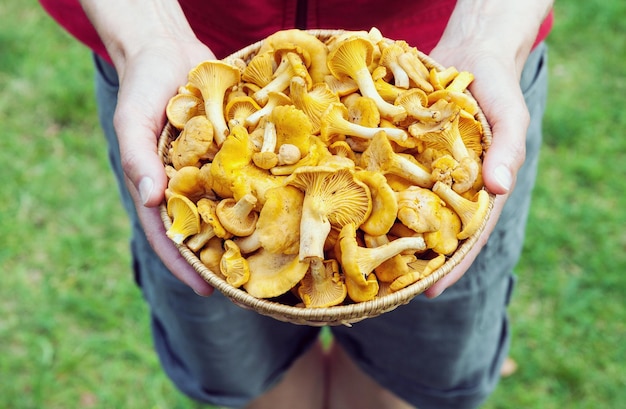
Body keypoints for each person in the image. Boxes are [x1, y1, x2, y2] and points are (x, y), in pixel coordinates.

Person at [39, 1, 554, 408]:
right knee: (238, 368)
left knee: (419, 367)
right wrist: (145, 36)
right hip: (174, 54)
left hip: (456, 46)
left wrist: (491, 28)